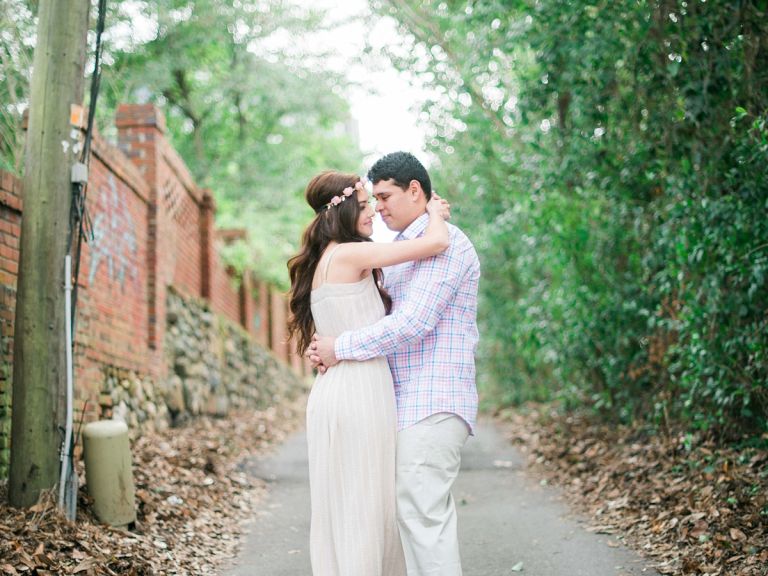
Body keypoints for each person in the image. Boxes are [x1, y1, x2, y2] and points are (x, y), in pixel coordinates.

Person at [309, 151, 481, 576]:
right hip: (399, 403)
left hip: (434, 400)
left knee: (422, 517)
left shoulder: (449, 243)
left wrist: (340, 346)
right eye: (372, 200)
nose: (378, 208)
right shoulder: (398, 250)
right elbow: (374, 318)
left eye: (384, 197)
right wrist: (329, 344)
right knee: (403, 518)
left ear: (415, 191)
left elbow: (413, 323)